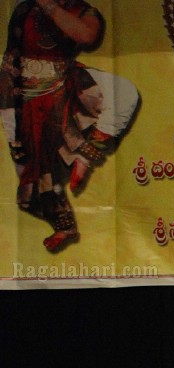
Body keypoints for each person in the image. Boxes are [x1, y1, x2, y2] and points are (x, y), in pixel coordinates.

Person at [1, 0, 140, 252]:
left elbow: (86, 35)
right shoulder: (24, 9)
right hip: (26, 94)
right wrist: (8, 96)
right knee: (30, 187)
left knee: (125, 93)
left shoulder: (84, 12)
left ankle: (85, 159)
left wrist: (48, 4)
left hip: (66, 86)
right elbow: (11, 56)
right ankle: (64, 224)